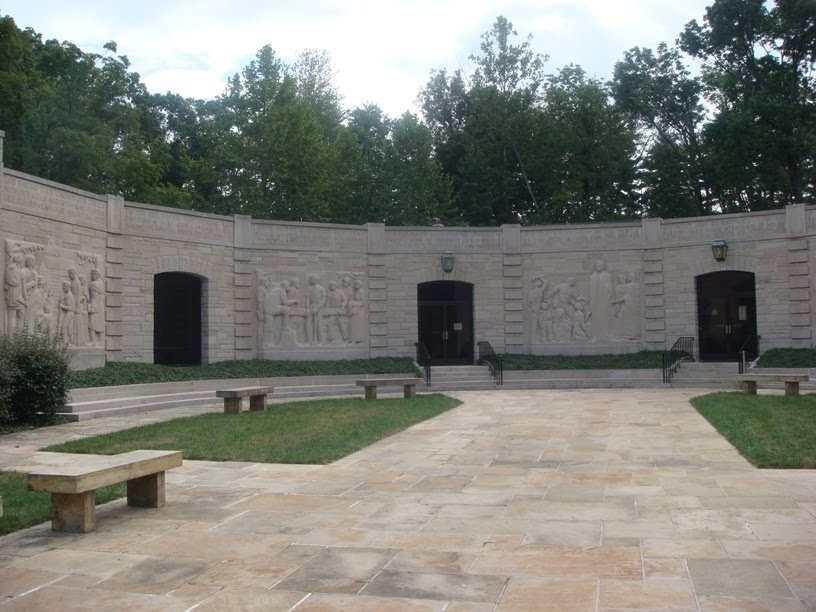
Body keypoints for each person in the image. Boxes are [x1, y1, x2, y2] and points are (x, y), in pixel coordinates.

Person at [588, 260, 613, 341]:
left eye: (600, 265)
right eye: (597, 265)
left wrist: (609, 298)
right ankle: (595, 336)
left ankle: (606, 335)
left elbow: (610, 288)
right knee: (595, 317)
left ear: (603, 266)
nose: (598, 266)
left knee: (605, 316)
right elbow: (591, 290)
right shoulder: (592, 276)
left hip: (604, 299)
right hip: (595, 301)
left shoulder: (607, 275)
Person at [263, 280, 292, 345]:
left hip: (266, 308)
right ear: (285, 286)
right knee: (286, 309)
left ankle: (266, 343)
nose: (289, 287)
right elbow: (285, 303)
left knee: (268, 327)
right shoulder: (282, 290)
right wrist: (294, 301)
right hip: (271, 308)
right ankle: (285, 327)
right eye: (288, 285)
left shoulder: (275, 289)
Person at [4, 253, 26, 333]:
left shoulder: (8, 269)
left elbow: (6, 281)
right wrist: (26, 300)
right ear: (20, 262)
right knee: (19, 318)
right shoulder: (21, 272)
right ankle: (18, 339)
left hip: (10, 296)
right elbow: (24, 289)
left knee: (11, 318)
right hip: (18, 297)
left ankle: (10, 340)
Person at [305, 274, 326, 345]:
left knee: (319, 324)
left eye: (312, 279)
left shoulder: (321, 288)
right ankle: (309, 341)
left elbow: (323, 300)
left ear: (316, 280)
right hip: (311, 305)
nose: (310, 280)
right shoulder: (309, 288)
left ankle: (321, 341)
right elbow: (307, 299)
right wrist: (307, 309)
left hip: (319, 306)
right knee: (308, 323)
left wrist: (317, 308)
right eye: (310, 279)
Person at [88, 268, 104, 346]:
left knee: (91, 323)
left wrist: (92, 307)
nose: (93, 276)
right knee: (99, 324)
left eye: (94, 274)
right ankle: (100, 342)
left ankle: (93, 341)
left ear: (98, 275)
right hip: (100, 306)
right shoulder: (101, 284)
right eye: (92, 274)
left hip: (96, 305)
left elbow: (94, 297)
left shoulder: (93, 284)